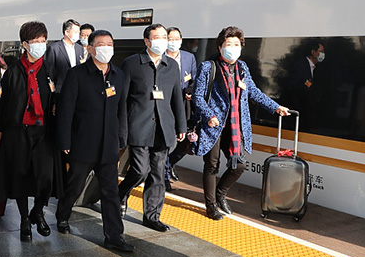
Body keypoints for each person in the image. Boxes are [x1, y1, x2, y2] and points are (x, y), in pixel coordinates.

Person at [193, 26, 290, 220]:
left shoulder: (243, 68)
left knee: (239, 165)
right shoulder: (208, 67)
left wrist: (275, 107)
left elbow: (253, 92)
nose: (233, 48)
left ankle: (220, 194)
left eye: (236, 44)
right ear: (220, 47)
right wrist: (209, 115)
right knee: (212, 165)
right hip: (214, 125)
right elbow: (197, 96)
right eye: (228, 44)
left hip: (236, 125)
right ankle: (211, 206)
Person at [55, 30, 133, 251]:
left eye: (110, 44)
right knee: (75, 186)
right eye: (100, 44)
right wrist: (65, 141)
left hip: (108, 145)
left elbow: (122, 110)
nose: (106, 48)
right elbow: (66, 111)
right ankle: (62, 215)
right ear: (89, 49)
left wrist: (122, 138)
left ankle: (114, 236)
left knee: (110, 191)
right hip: (83, 142)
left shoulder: (118, 75)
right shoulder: (76, 75)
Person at [0, 21, 63, 242]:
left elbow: (56, 95)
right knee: (21, 177)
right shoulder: (13, 71)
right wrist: (0, 131)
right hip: (18, 132)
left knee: (46, 177)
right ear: (25, 44)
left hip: (44, 132)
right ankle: (25, 218)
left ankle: (38, 210)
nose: (40, 45)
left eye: (43, 40)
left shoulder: (49, 68)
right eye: (35, 41)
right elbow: (4, 104)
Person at [118, 23, 186, 232]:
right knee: (140, 170)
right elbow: (122, 100)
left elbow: (177, 97)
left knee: (158, 173)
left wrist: (181, 125)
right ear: (147, 41)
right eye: (157, 37)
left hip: (163, 128)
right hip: (138, 126)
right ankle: (120, 193)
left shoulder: (171, 66)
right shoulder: (131, 64)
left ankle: (152, 216)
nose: (163, 41)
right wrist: (122, 129)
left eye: (165, 37)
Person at [163, 27, 198, 190]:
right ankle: (163, 176)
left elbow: (195, 79)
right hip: (165, 104)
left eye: (176, 39)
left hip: (184, 105)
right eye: (170, 39)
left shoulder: (189, 57)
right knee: (165, 142)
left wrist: (191, 90)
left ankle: (170, 163)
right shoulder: (160, 57)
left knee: (185, 142)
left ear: (181, 41)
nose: (173, 42)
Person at [288, 40, 324, 130]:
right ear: (313, 52)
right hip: (299, 112)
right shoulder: (301, 66)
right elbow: (294, 88)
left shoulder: (315, 69)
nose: (323, 55)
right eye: (321, 52)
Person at [44, 19, 84, 94]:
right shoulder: (54, 48)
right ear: (67, 32)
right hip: (60, 90)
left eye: (79, 32)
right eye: (75, 32)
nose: (78, 35)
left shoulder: (80, 48)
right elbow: (50, 71)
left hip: (77, 89)